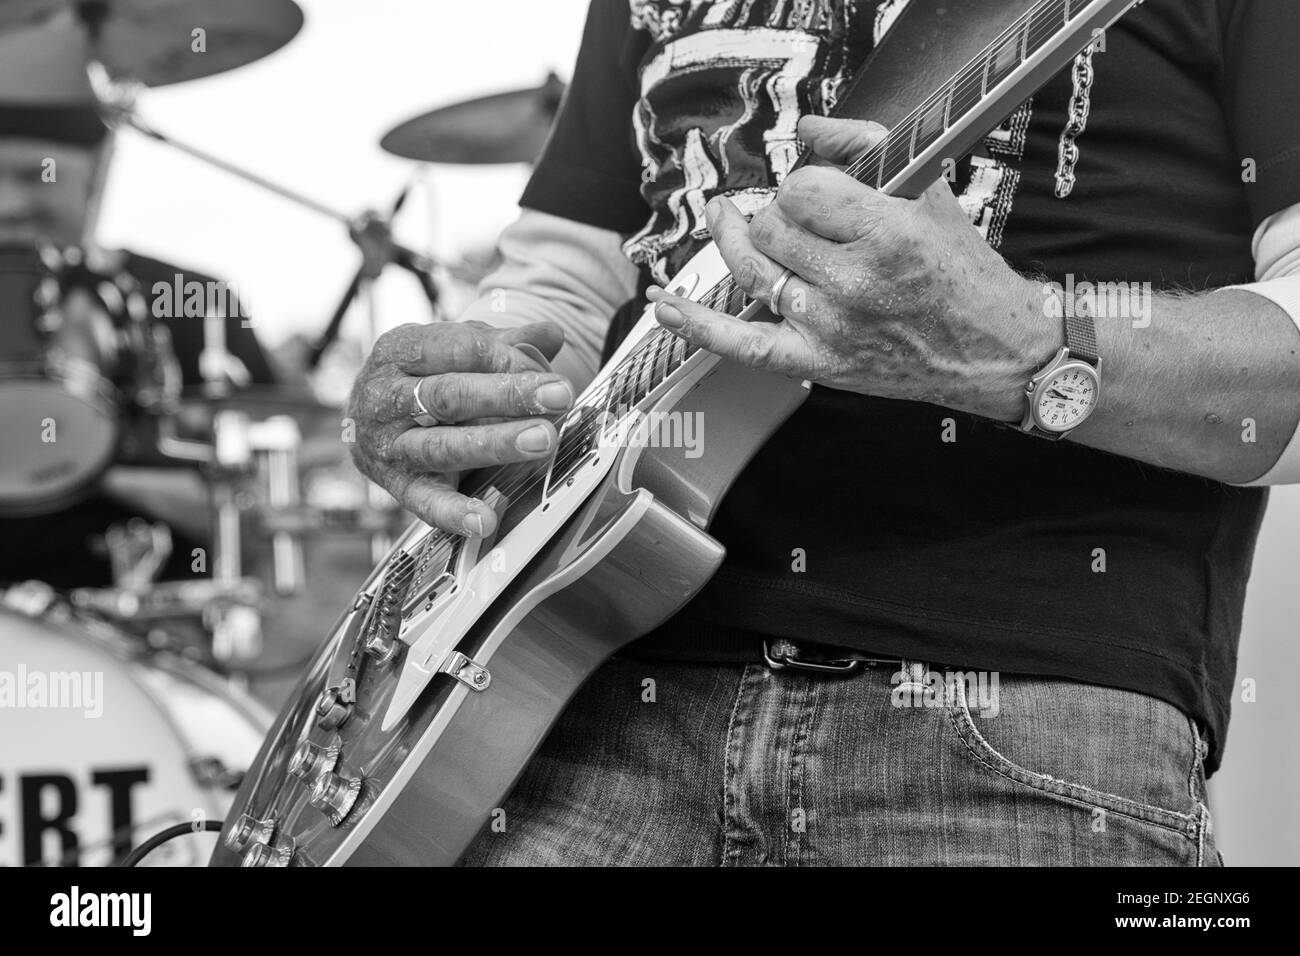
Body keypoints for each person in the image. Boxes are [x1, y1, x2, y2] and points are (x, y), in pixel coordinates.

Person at [346, 0, 1300, 865]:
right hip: (572, 690)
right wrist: (466, 386)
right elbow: (562, 279)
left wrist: (1025, 345)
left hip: (1023, 714)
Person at [0, 97, 278, 587]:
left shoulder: (193, 300)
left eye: (32, 176)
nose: (7, 204)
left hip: (157, 630)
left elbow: (261, 513)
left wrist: (88, 459)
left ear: (98, 173)